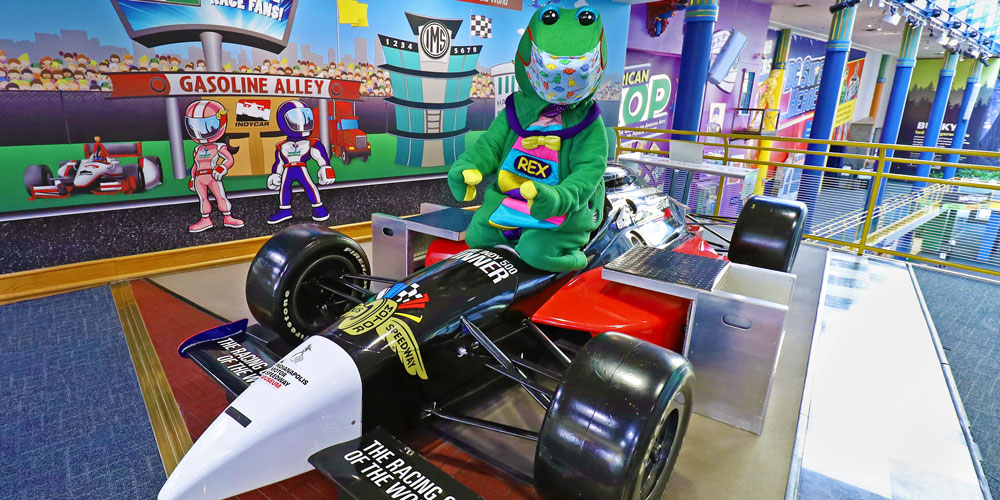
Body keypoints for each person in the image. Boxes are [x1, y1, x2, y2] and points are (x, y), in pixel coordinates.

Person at [266, 100, 335, 224]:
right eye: (295, 119)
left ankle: (318, 208)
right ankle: (285, 210)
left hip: (300, 168)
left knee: (310, 187)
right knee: (284, 189)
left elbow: (320, 157)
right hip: (288, 169)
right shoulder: (282, 146)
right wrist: (276, 174)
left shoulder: (311, 143)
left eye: (305, 117)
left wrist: (325, 168)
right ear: (283, 121)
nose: (302, 123)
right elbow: (279, 162)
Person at [183, 100, 244, 232]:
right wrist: (192, 179)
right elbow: (195, 165)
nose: (201, 131)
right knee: (203, 198)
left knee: (220, 196)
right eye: (196, 126)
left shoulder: (219, 146)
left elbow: (229, 160)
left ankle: (228, 217)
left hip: (212, 176)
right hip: (200, 177)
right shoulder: (197, 149)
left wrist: (221, 167)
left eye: (206, 125)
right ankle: (205, 220)